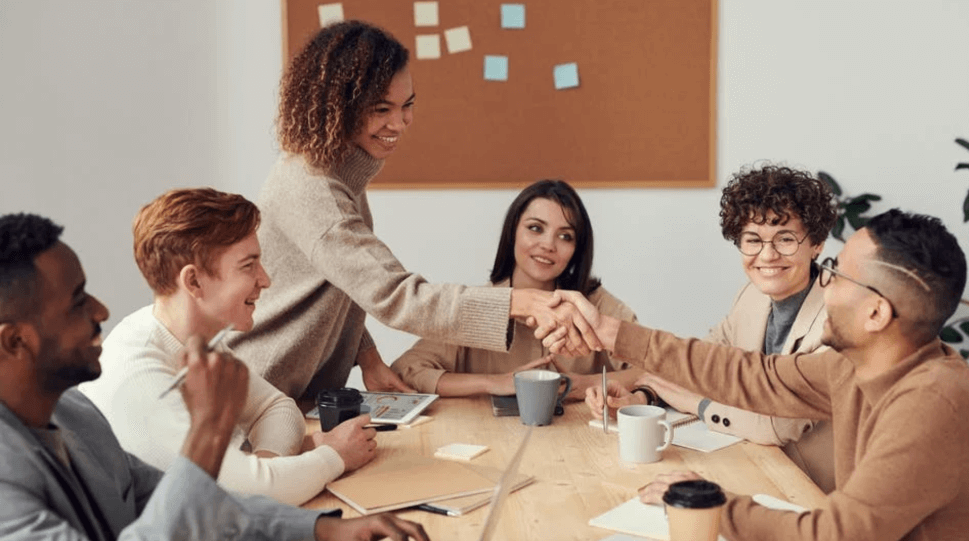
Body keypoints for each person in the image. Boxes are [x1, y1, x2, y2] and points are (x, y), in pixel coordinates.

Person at [554, 209, 969, 540]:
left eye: (835, 273)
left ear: (876, 312)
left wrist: (713, 502)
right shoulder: (857, 365)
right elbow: (753, 376)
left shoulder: (933, 403)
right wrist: (613, 334)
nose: (823, 282)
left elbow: (837, 534)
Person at [229, 20, 597, 402]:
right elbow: (396, 295)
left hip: (293, 396)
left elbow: (344, 283)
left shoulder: (337, 176)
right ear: (339, 107)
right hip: (257, 395)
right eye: (381, 108)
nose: (399, 123)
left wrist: (367, 357)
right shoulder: (315, 190)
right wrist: (516, 302)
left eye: (407, 106)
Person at [0, 212, 429, 540]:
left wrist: (322, 530)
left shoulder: (75, 413)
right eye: (77, 303)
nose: (101, 311)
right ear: (15, 342)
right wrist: (208, 432)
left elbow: (198, 503)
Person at [79, 189, 376, 506]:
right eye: (248, 266)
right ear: (193, 282)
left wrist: (266, 466)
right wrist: (334, 456)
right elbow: (249, 497)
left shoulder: (192, 337)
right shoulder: (140, 378)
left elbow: (276, 408)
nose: (265, 280)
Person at [586, 165, 838, 491]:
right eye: (753, 240)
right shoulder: (751, 296)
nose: (768, 254)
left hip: (813, 490)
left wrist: (697, 404)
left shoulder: (837, 320)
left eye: (785, 239)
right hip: (755, 468)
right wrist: (644, 394)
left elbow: (776, 425)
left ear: (816, 243)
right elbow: (701, 364)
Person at [391, 180, 638, 399]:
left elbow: (658, 371)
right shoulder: (478, 306)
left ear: (577, 250)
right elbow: (406, 370)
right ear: (513, 233)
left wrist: (590, 383)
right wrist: (494, 382)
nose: (548, 245)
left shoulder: (596, 305)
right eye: (535, 228)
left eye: (565, 236)